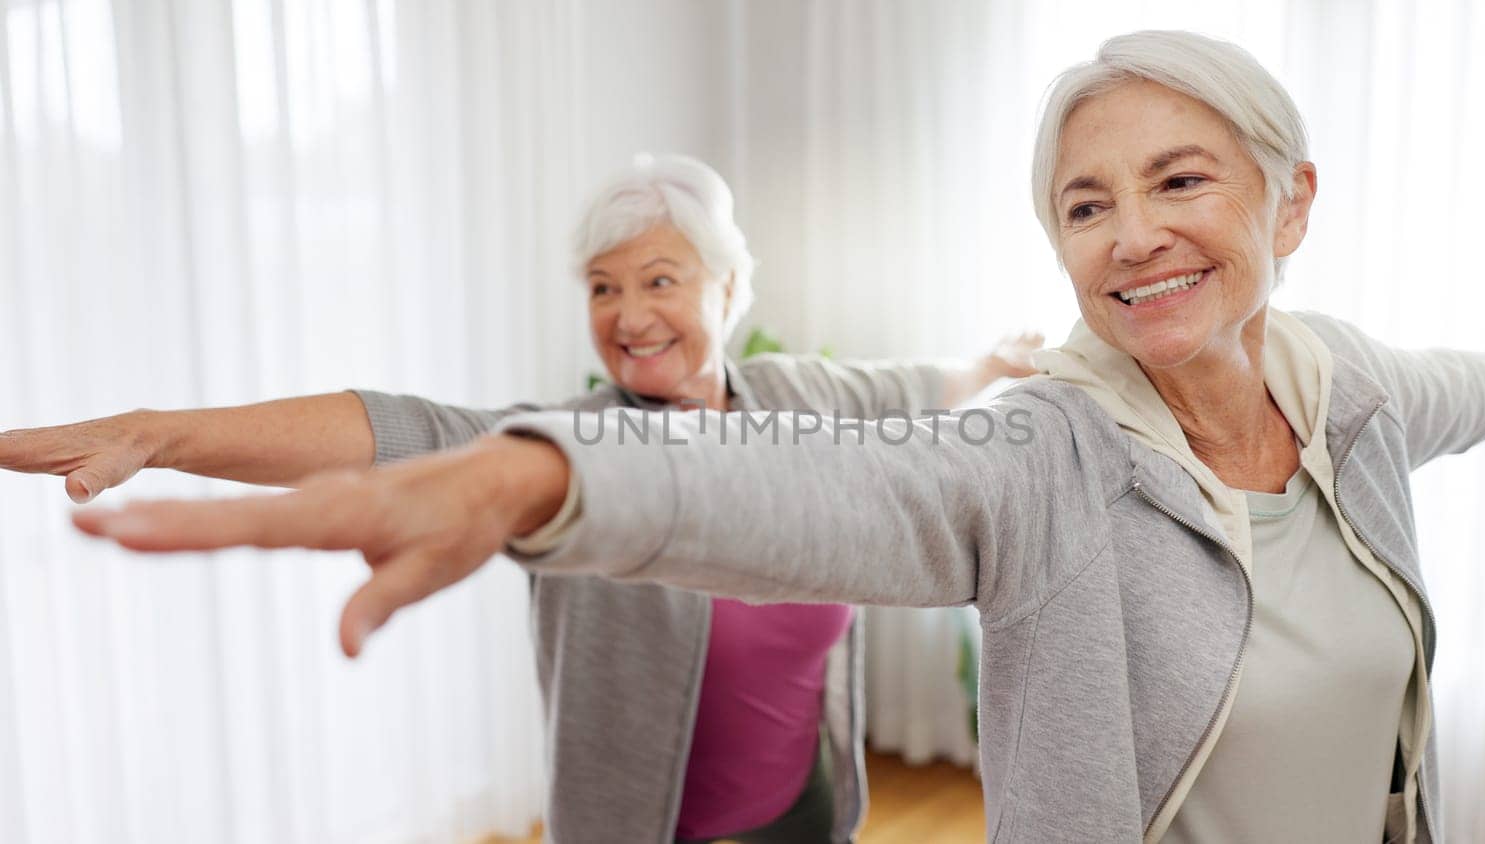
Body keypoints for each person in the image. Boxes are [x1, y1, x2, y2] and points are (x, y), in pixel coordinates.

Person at [40, 30, 1485, 844]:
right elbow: (778, 480)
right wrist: (533, 471)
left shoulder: (1349, 390)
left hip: (804, 799)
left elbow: (908, 397)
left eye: (1180, 183)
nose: (1131, 238)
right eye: (1085, 204)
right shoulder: (1036, 460)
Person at [0, 154, 1041, 844]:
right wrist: (168, 434)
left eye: (661, 279)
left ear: (729, 289)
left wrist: (994, 360)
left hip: (808, 809)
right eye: (601, 285)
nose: (627, 314)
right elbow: (403, 428)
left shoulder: (805, 399)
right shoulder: (567, 445)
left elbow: (920, 387)